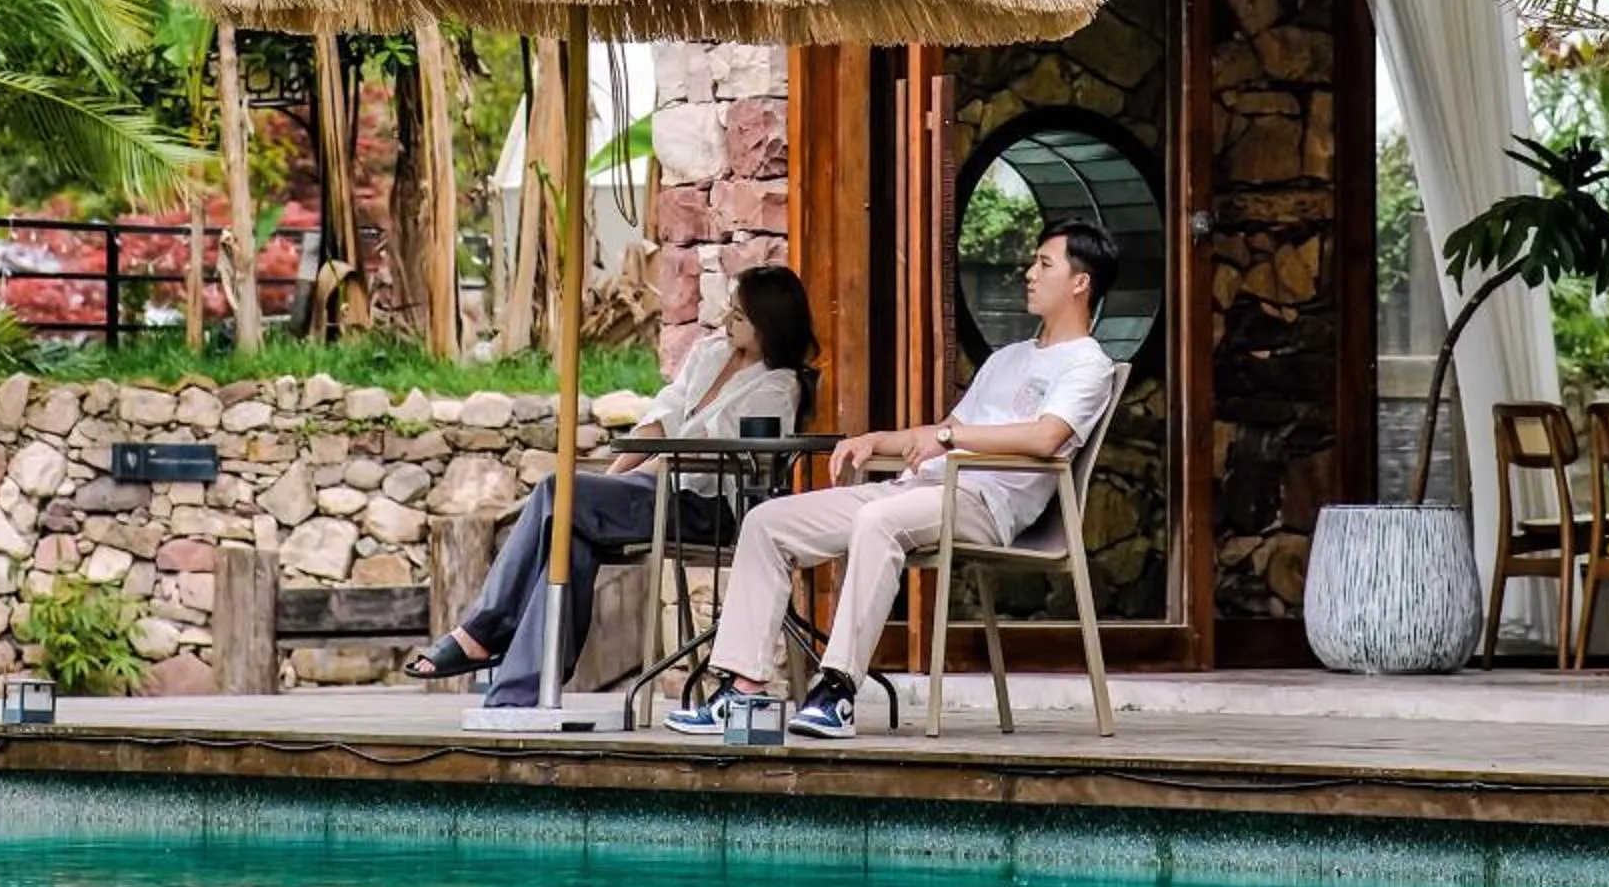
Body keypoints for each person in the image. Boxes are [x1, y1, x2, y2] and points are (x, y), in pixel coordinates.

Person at [669, 218, 1120, 743]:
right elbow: (946, 430)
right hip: (918, 489)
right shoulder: (1008, 358)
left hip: (984, 502)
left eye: (1044, 264)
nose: (1028, 273)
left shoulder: (1089, 365)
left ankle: (835, 691)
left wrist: (951, 442)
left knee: (877, 520)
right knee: (768, 520)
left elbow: (1046, 439)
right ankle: (743, 692)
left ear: (1080, 283)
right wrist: (879, 440)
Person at [405, 263, 819, 705]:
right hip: (657, 490)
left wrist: (613, 487)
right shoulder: (710, 354)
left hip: (711, 508)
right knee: (572, 532)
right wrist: (610, 481)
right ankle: (519, 693)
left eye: (740, 315)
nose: (727, 321)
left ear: (770, 323)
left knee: (555, 490)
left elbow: (718, 453)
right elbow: (661, 420)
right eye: (730, 310)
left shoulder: (779, 387)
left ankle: (481, 633)